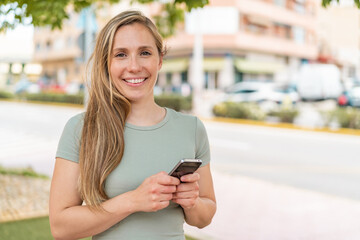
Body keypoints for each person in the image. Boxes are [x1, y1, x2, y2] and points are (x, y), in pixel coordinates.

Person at [49, 10, 216, 240]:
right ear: (106, 64)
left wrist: (192, 203)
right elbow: (60, 227)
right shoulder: (82, 128)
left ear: (160, 59)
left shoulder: (192, 128)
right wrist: (133, 200)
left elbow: (204, 217)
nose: (134, 66)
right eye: (121, 55)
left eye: (144, 52)